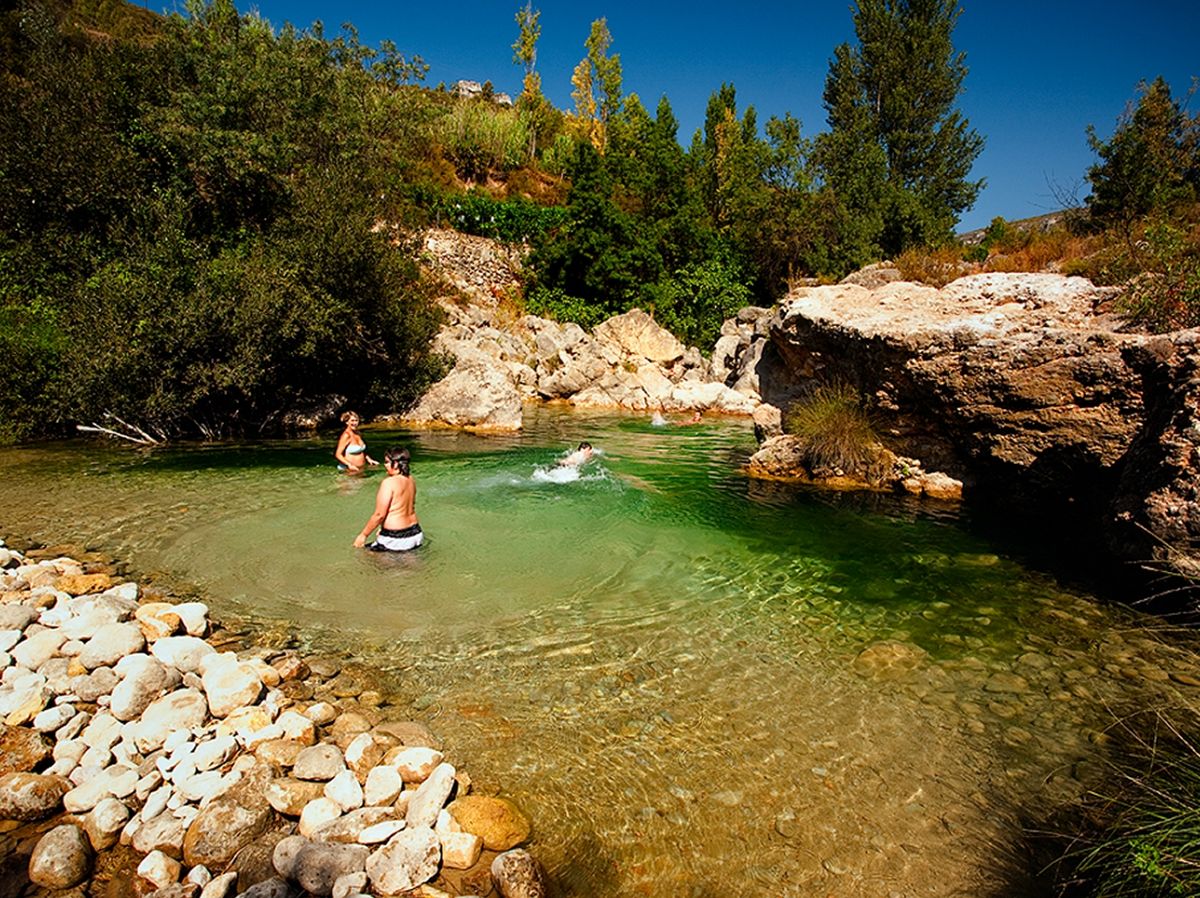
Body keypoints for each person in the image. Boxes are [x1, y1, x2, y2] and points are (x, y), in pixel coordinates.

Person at [354, 447, 423, 551]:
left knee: (363, 555)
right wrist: (382, 528)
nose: (385, 465)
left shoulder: (389, 483)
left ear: (395, 464)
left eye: (387, 462)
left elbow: (379, 515)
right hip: (416, 533)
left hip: (395, 538)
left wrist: (363, 535)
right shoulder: (410, 479)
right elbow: (404, 506)